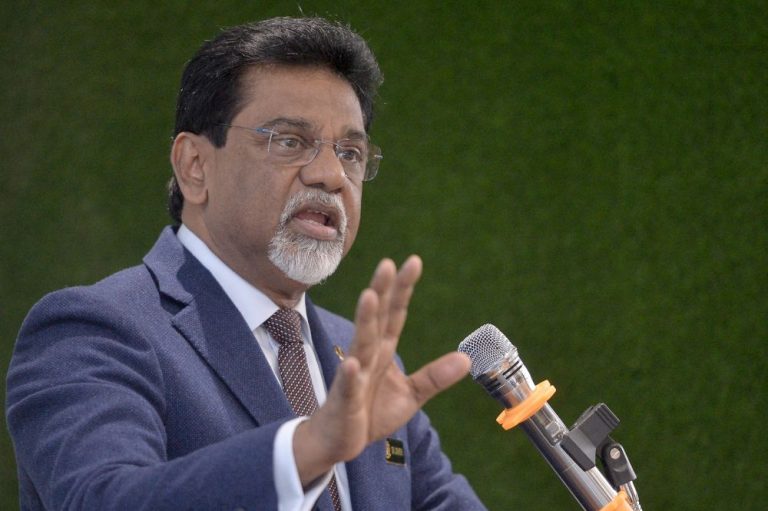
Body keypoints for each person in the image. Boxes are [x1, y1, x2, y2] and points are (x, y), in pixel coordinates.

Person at [6, 16, 487, 510]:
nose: (331, 175)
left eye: (351, 152)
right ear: (195, 166)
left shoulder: (361, 360)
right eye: (290, 141)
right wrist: (306, 449)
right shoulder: (94, 329)